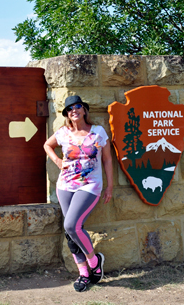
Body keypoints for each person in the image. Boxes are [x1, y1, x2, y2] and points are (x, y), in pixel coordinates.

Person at [44, 95, 113, 292]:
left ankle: (94, 262)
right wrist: (58, 162)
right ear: (67, 114)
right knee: (71, 231)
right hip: (65, 186)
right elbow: (47, 145)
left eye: (77, 107)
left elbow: (107, 160)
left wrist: (110, 186)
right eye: (70, 109)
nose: (74, 110)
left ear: (84, 110)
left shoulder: (98, 132)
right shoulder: (63, 133)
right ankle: (83, 273)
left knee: (71, 225)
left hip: (89, 186)